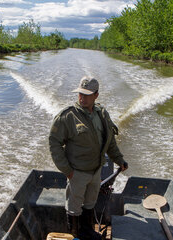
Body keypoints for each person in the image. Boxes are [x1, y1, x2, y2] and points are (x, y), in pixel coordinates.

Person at [49, 76, 128, 240]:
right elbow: (54, 142)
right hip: (77, 172)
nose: (82, 98)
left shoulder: (102, 114)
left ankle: (88, 233)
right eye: (80, 94)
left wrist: (119, 160)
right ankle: (76, 236)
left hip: (96, 171)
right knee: (74, 208)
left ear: (96, 95)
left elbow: (109, 142)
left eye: (86, 94)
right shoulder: (68, 116)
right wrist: (67, 171)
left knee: (90, 203)